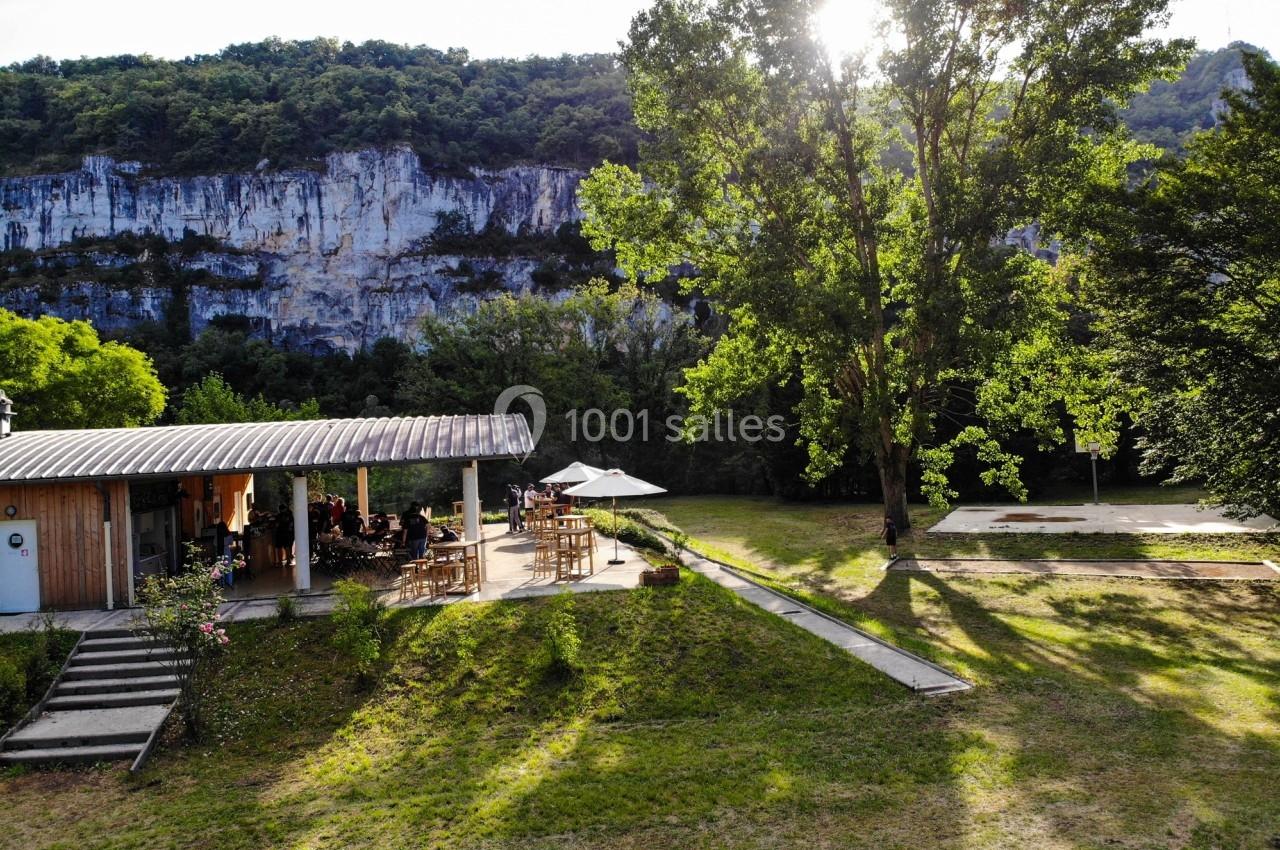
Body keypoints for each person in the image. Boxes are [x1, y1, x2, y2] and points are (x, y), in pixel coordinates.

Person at [272, 503, 294, 568]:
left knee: (280, 548)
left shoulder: (278, 516)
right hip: (287, 533)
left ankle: (280, 562)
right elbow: (291, 524)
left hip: (280, 533)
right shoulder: (289, 515)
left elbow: (276, 525)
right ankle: (288, 561)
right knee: (287, 547)